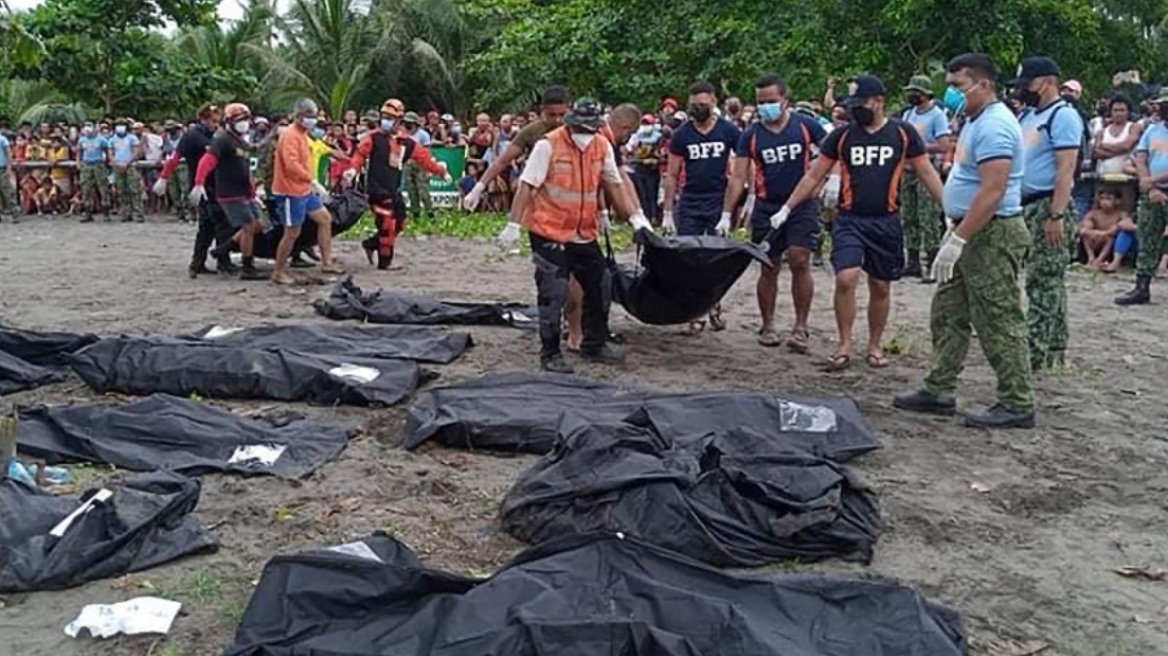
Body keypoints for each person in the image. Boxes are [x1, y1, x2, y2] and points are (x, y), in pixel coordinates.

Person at [895, 53, 1035, 429]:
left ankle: (1017, 401)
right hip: (967, 229)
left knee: (998, 318)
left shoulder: (996, 126)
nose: (951, 93)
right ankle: (939, 387)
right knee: (948, 312)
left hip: (990, 233)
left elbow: (993, 192)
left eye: (957, 86)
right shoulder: (975, 121)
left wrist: (959, 238)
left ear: (983, 84)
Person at [779, 75, 943, 371]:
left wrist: (949, 209)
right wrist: (788, 207)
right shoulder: (841, 136)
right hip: (850, 219)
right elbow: (813, 175)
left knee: (880, 285)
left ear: (878, 101)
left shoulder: (903, 134)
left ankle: (875, 344)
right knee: (846, 278)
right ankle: (844, 343)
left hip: (886, 220)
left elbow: (927, 173)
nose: (854, 110)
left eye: (860, 103)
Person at [498, 97, 651, 374]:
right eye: (579, 129)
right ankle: (550, 352)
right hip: (549, 232)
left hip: (582, 232)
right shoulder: (548, 145)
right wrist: (514, 225)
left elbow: (614, 185)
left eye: (589, 130)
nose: (584, 136)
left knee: (601, 282)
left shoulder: (601, 145)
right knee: (553, 292)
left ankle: (595, 342)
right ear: (570, 125)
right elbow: (527, 186)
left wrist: (635, 218)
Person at [723, 74, 826, 352]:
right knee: (768, 265)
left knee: (800, 260)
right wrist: (726, 213)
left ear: (785, 101)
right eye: (760, 102)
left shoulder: (807, 126)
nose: (765, 107)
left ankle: (801, 326)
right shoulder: (751, 135)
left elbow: (832, 155)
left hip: (802, 205)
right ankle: (767, 325)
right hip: (767, 206)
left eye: (771, 101)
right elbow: (738, 176)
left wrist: (826, 184)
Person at [1013, 56, 1083, 370]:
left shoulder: (1063, 116)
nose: (1023, 90)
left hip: (1048, 204)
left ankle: (1035, 352)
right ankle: (1054, 348)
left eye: (1028, 83)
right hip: (1026, 203)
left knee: (1043, 280)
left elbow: (1066, 169)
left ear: (1048, 81)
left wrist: (1055, 215)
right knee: (1048, 279)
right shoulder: (1028, 116)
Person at [661, 80, 742, 332]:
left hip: (718, 199)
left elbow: (740, 171)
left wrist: (730, 211)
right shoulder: (682, 135)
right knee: (689, 258)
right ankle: (694, 312)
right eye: (694, 105)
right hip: (690, 201)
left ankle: (714, 304)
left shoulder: (729, 131)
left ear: (714, 103)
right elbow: (672, 174)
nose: (698, 109)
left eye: (703, 105)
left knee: (715, 257)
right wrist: (667, 213)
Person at [344, 98, 451, 270]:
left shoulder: (406, 143)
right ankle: (385, 263)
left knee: (400, 223)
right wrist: (352, 170)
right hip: (376, 190)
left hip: (393, 190)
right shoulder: (373, 138)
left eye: (390, 117)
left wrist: (441, 171)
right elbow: (360, 154)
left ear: (399, 121)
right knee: (387, 225)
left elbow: (425, 159)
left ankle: (371, 244)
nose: (385, 120)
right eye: (384, 116)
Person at [271, 99, 348, 284]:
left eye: (314, 116)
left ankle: (326, 262)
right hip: (291, 191)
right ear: (298, 116)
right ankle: (278, 271)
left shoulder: (304, 134)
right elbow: (291, 165)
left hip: (304, 189)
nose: (313, 120)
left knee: (325, 219)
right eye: (309, 116)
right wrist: (312, 181)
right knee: (292, 232)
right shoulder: (290, 136)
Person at [157, 104, 236, 276]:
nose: (216, 124)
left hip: (215, 183)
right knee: (221, 223)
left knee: (207, 227)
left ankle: (198, 262)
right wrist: (164, 177)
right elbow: (175, 157)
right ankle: (223, 261)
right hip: (204, 186)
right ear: (203, 119)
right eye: (213, 121)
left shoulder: (211, 134)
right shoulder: (194, 136)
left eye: (218, 121)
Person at [190, 103, 267, 281]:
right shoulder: (222, 139)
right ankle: (248, 267)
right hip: (230, 191)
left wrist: (254, 192)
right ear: (229, 121)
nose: (245, 123)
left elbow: (247, 167)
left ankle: (223, 248)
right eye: (240, 120)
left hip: (245, 191)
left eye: (246, 119)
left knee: (259, 225)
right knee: (248, 227)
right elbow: (207, 161)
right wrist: (199, 182)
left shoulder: (240, 140)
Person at [463, 86, 571, 211]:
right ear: (543, 110)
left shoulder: (577, 131)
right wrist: (478, 188)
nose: (557, 120)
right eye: (551, 115)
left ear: (570, 108)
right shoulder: (531, 131)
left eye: (562, 115)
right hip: (541, 195)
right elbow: (502, 161)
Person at [899, 75, 955, 280]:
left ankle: (932, 261)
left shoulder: (937, 116)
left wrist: (918, 148)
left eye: (915, 92)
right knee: (909, 215)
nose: (911, 95)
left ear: (925, 94)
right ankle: (912, 261)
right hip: (907, 169)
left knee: (928, 216)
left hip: (927, 167)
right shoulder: (909, 114)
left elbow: (944, 144)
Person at [1116, 90, 1168, 305]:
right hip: (1152, 193)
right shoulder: (1152, 130)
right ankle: (1141, 287)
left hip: (1158, 186)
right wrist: (1148, 185)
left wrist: (1152, 181)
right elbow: (1140, 156)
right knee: (1147, 238)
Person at [627, 114, 664, 223]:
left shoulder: (658, 137)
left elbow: (661, 154)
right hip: (639, 167)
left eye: (648, 123)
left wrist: (655, 160)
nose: (645, 126)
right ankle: (646, 216)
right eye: (644, 123)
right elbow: (630, 150)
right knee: (642, 193)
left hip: (652, 169)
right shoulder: (637, 136)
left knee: (652, 193)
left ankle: (654, 216)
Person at [1081, 188, 1127, 271]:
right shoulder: (1093, 213)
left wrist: (1103, 234)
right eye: (1102, 198)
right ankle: (1091, 258)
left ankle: (1099, 260)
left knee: (1109, 238)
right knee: (1085, 236)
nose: (1104, 202)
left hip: (1110, 244)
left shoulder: (1121, 214)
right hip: (1095, 240)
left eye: (1108, 199)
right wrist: (1095, 233)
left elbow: (1115, 230)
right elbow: (1083, 229)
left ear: (1117, 201)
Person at [109, 119, 144, 222]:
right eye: (118, 125)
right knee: (121, 191)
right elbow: (110, 153)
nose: (120, 127)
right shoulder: (112, 139)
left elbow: (136, 152)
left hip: (130, 166)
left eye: (122, 125)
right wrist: (115, 163)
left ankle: (138, 214)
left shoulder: (132, 138)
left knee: (134, 190)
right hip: (118, 166)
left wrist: (127, 163)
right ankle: (125, 213)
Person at [76, 122, 111, 223]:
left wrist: (108, 161)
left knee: (103, 188)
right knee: (86, 188)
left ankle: (106, 213)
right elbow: (79, 151)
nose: (87, 128)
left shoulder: (101, 139)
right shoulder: (82, 139)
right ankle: (87, 213)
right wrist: (78, 162)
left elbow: (107, 150)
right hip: (87, 164)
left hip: (98, 164)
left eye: (89, 126)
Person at [402, 111, 435, 219]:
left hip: (420, 164)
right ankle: (416, 213)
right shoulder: (402, 134)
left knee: (423, 190)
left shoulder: (423, 135)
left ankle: (430, 213)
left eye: (410, 122)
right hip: (407, 164)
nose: (407, 124)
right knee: (411, 190)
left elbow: (428, 152)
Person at [0, 130, 17, 223]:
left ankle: (15, 212)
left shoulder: (2, 139)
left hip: (2, 168)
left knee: (7, 190)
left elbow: (8, 153)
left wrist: (9, 167)